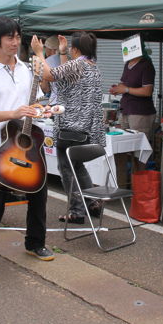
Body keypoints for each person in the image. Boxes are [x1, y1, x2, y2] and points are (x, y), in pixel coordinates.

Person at [0, 16, 54, 268]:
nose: (15, 42)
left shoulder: (28, 69)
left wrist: (42, 111)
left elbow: (36, 102)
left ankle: (36, 242)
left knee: (39, 195)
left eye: (17, 37)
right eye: (10, 37)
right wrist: (14, 113)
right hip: (1, 146)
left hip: (29, 141)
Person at [32, 32, 106, 224]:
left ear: (76, 49)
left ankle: (76, 212)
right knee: (77, 165)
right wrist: (63, 53)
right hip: (87, 129)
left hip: (71, 127)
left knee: (66, 169)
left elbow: (50, 75)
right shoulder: (92, 67)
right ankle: (91, 203)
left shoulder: (78, 65)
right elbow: (66, 76)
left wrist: (39, 53)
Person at [109, 44, 157, 156]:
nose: (123, 52)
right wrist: (117, 89)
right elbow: (123, 83)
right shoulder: (128, 64)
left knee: (138, 150)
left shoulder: (146, 65)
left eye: (125, 50)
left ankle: (139, 173)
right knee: (121, 148)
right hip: (125, 109)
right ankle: (123, 173)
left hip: (140, 113)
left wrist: (125, 89)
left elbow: (147, 91)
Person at [41, 35, 62, 102]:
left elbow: (45, 88)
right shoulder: (68, 60)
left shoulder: (46, 62)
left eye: (46, 48)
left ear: (51, 49)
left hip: (55, 101)